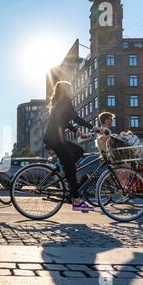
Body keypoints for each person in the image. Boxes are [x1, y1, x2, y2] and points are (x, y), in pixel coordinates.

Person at [43, 81, 104, 212]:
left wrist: (78, 132)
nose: (72, 91)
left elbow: (64, 122)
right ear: (65, 90)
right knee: (71, 166)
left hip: (54, 138)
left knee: (79, 151)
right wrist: (95, 128)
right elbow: (76, 119)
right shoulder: (65, 101)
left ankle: (63, 171)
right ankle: (76, 200)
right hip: (56, 139)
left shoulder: (59, 103)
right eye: (70, 88)